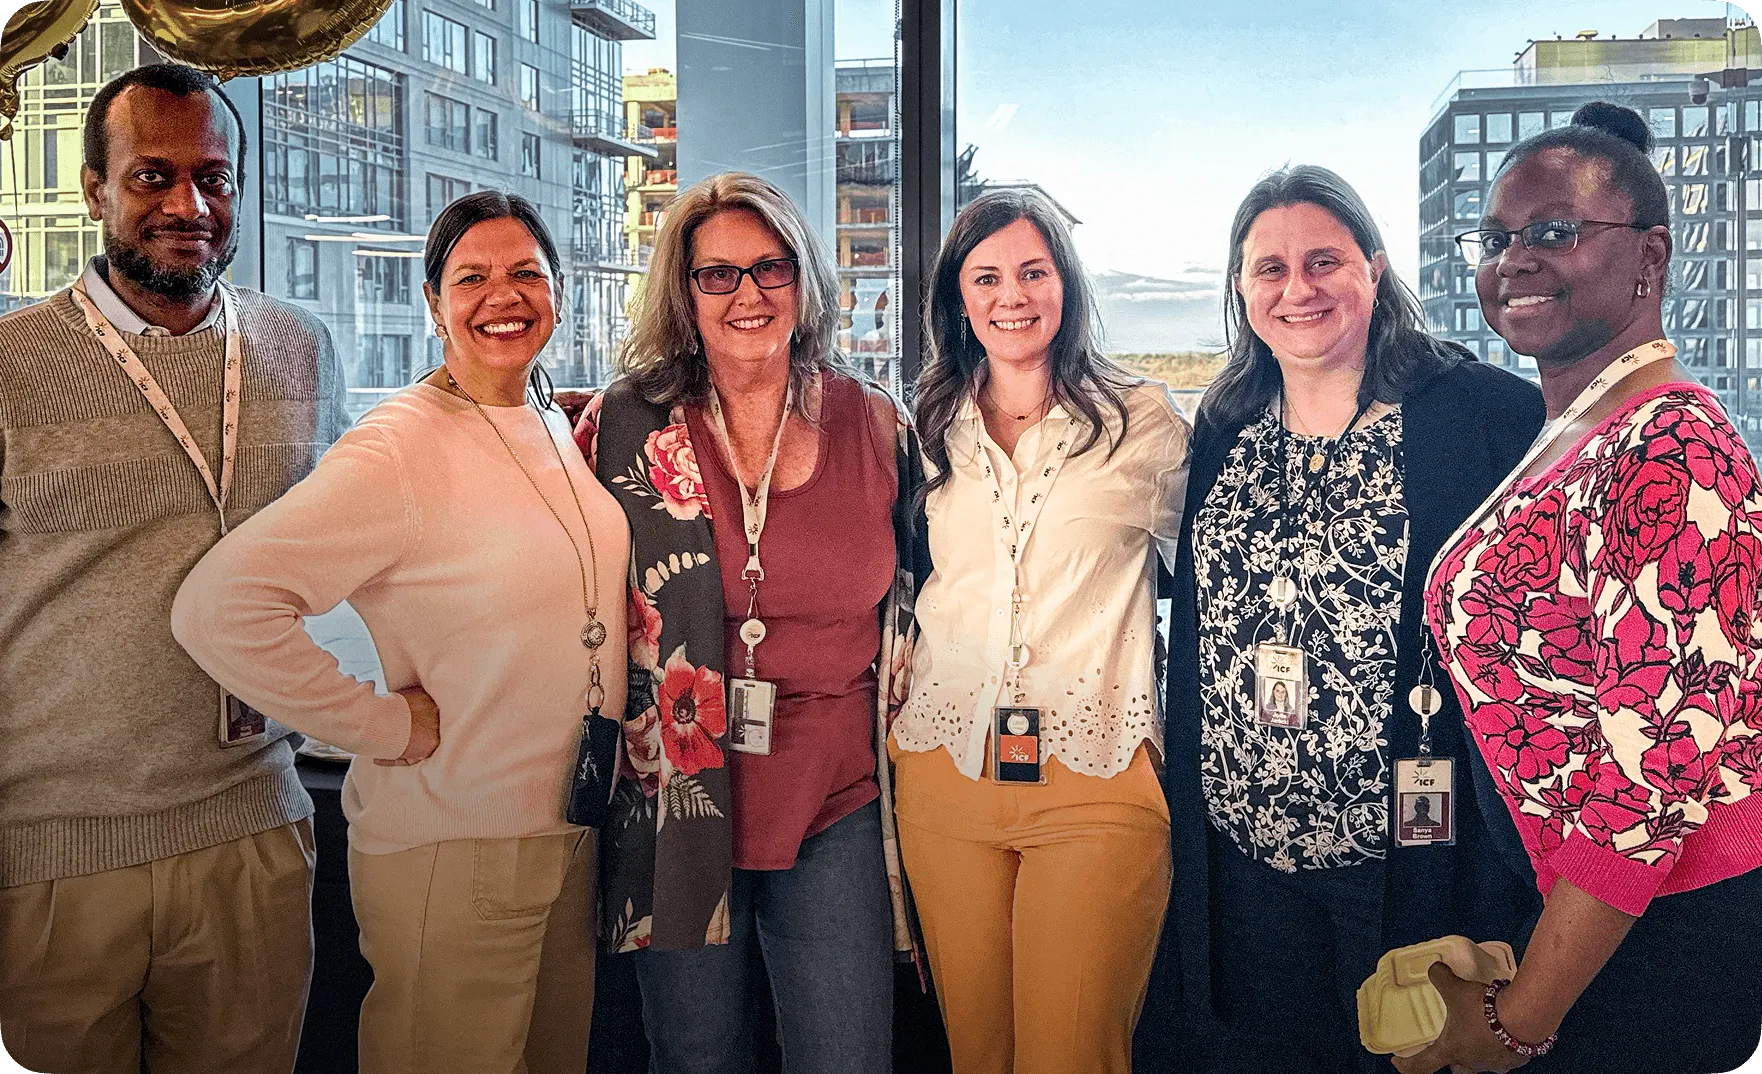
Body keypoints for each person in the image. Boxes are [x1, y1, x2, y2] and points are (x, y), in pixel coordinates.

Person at [172, 191, 625, 1074]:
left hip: (565, 833)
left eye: (526, 273)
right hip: (453, 848)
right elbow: (220, 607)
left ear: (560, 294)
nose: (504, 295)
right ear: (432, 303)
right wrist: (382, 725)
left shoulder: (543, 420)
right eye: (473, 277)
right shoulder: (398, 447)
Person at [1150, 165, 1547, 1074]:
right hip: (1241, 853)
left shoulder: (1479, 417)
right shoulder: (1225, 422)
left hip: (1405, 860)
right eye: (1269, 269)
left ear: (1374, 268)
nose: (1298, 289)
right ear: (1242, 290)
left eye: (1324, 260)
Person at [0, 63, 346, 1074]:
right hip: (54, 854)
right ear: (94, 189)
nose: (189, 206)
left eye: (215, 178)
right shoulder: (11, 366)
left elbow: (355, 547)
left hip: (254, 832)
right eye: (153, 176)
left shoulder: (300, 348)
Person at [1416, 102, 1762, 1074]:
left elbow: (1650, 779)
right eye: (1495, 239)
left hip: (1663, 934)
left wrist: (1516, 1020)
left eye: (1554, 232)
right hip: (1584, 905)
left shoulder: (1676, 446)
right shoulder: (1578, 431)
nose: (1513, 259)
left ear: (1647, 258)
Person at [561, 171, 918, 1074]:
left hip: (834, 798)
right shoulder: (620, 427)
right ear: (684, 294)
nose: (748, 294)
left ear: (806, 281)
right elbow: (550, 579)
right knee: (694, 1058)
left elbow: (935, 592)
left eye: (771, 268)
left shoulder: (875, 424)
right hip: (676, 797)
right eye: (717, 274)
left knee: (847, 1058)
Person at [891, 187, 1189, 1074]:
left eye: (1032, 271)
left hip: (1099, 777)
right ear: (959, 297)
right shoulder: (924, 424)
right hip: (944, 773)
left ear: (1066, 283)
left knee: (1072, 1055)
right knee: (976, 1055)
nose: (1011, 295)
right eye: (986, 277)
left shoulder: (1143, 422)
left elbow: (1234, 567)